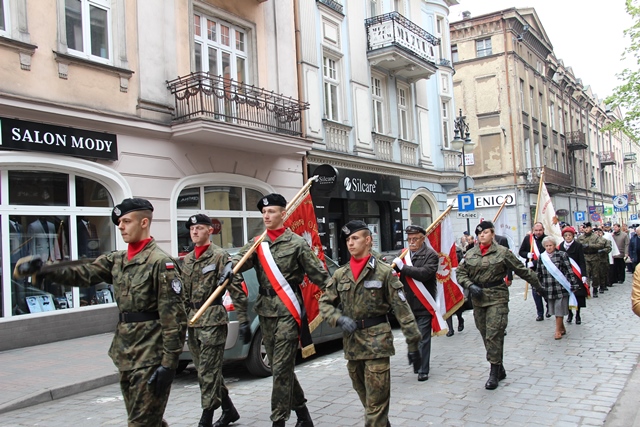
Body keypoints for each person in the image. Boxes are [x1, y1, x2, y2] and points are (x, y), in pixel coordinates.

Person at [14, 198, 187, 426]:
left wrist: (169, 364)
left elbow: (174, 318)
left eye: (126, 221)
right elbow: (83, 274)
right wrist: (45, 271)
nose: (121, 226)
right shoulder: (117, 260)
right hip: (125, 353)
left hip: (151, 355)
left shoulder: (160, 263)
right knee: (145, 419)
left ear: (144, 222)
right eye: (119, 222)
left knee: (141, 422)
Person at [229, 193, 330, 427]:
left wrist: (340, 301)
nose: (266, 216)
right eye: (264, 212)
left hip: (288, 311)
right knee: (279, 368)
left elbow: (320, 276)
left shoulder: (297, 243)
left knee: (282, 368)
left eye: (271, 211)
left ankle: (278, 421)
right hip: (265, 312)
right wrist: (229, 269)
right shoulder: (258, 243)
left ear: (283, 214)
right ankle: (303, 414)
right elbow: (237, 263)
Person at [319, 220, 421, 427]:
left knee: (375, 406)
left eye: (355, 238)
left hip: (377, 345)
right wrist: (338, 318)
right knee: (368, 402)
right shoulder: (340, 274)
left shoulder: (384, 272)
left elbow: (403, 311)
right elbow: (324, 303)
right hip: (353, 346)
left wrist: (413, 345)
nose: (350, 243)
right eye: (348, 239)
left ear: (368, 240)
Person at [456, 221, 542, 390]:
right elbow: (460, 273)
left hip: (497, 297)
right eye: (479, 233)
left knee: (494, 334)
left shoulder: (502, 252)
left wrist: (539, 286)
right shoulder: (470, 253)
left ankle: (494, 372)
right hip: (478, 299)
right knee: (484, 333)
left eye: (486, 232)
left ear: (493, 234)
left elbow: (521, 270)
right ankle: (499, 366)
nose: (482, 235)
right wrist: (469, 285)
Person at [182, 214, 246, 427]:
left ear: (210, 231)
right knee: (205, 370)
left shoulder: (220, 256)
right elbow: (182, 294)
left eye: (199, 228)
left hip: (212, 321)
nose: (194, 231)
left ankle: (206, 419)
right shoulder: (188, 259)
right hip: (193, 321)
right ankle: (229, 410)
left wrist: (244, 320)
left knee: (207, 373)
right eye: (192, 228)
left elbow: (235, 287)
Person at [392, 225, 439, 381]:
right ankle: (418, 361)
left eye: (415, 239)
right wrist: (393, 271)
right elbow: (398, 276)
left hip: (423, 303)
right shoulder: (403, 254)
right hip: (407, 303)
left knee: (423, 338)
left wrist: (403, 267)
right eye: (409, 239)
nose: (411, 242)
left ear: (422, 239)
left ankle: (423, 370)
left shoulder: (431, 255)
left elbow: (424, 274)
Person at [537, 236, 581, 340]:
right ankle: (562, 327)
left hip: (561, 286)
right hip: (549, 287)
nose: (549, 247)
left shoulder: (562, 255)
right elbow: (538, 273)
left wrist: (574, 284)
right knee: (553, 309)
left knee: (559, 308)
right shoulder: (542, 257)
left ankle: (557, 331)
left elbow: (569, 270)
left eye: (550, 245)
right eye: (547, 246)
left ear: (554, 245)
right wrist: (537, 287)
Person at [557, 226, 588, 325]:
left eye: (570, 235)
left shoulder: (578, 246)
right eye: (566, 235)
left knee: (578, 295)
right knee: (567, 295)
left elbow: (582, 261)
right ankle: (569, 314)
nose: (568, 237)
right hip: (565, 275)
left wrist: (583, 274)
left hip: (576, 274)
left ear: (573, 236)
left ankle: (578, 315)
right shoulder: (560, 247)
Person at [518, 222, 549, 321]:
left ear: (543, 230)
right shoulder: (528, 239)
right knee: (536, 291)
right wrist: (527, 255)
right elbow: (521, 252)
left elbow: (547, 254)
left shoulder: (547, 239)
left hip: (545, 269)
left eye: (540, 230)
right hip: (533, 270)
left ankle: (549, 306)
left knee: (546, 290)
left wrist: (534, 262)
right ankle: (540, 313)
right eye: (536, 230)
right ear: (533, 230)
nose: (538, 232)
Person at [577, 223, 611, 298]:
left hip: (594, 256)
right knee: (586, 274)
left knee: (595, 274)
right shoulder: (580, 238)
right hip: (585, 256)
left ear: (590, 228)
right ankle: (587, 289)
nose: (586, 229)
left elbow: (600, 245)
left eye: (587, 227)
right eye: (585, 228)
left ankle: (595, 288)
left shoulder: (595, 237)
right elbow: (576, 245)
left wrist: (589, 246)